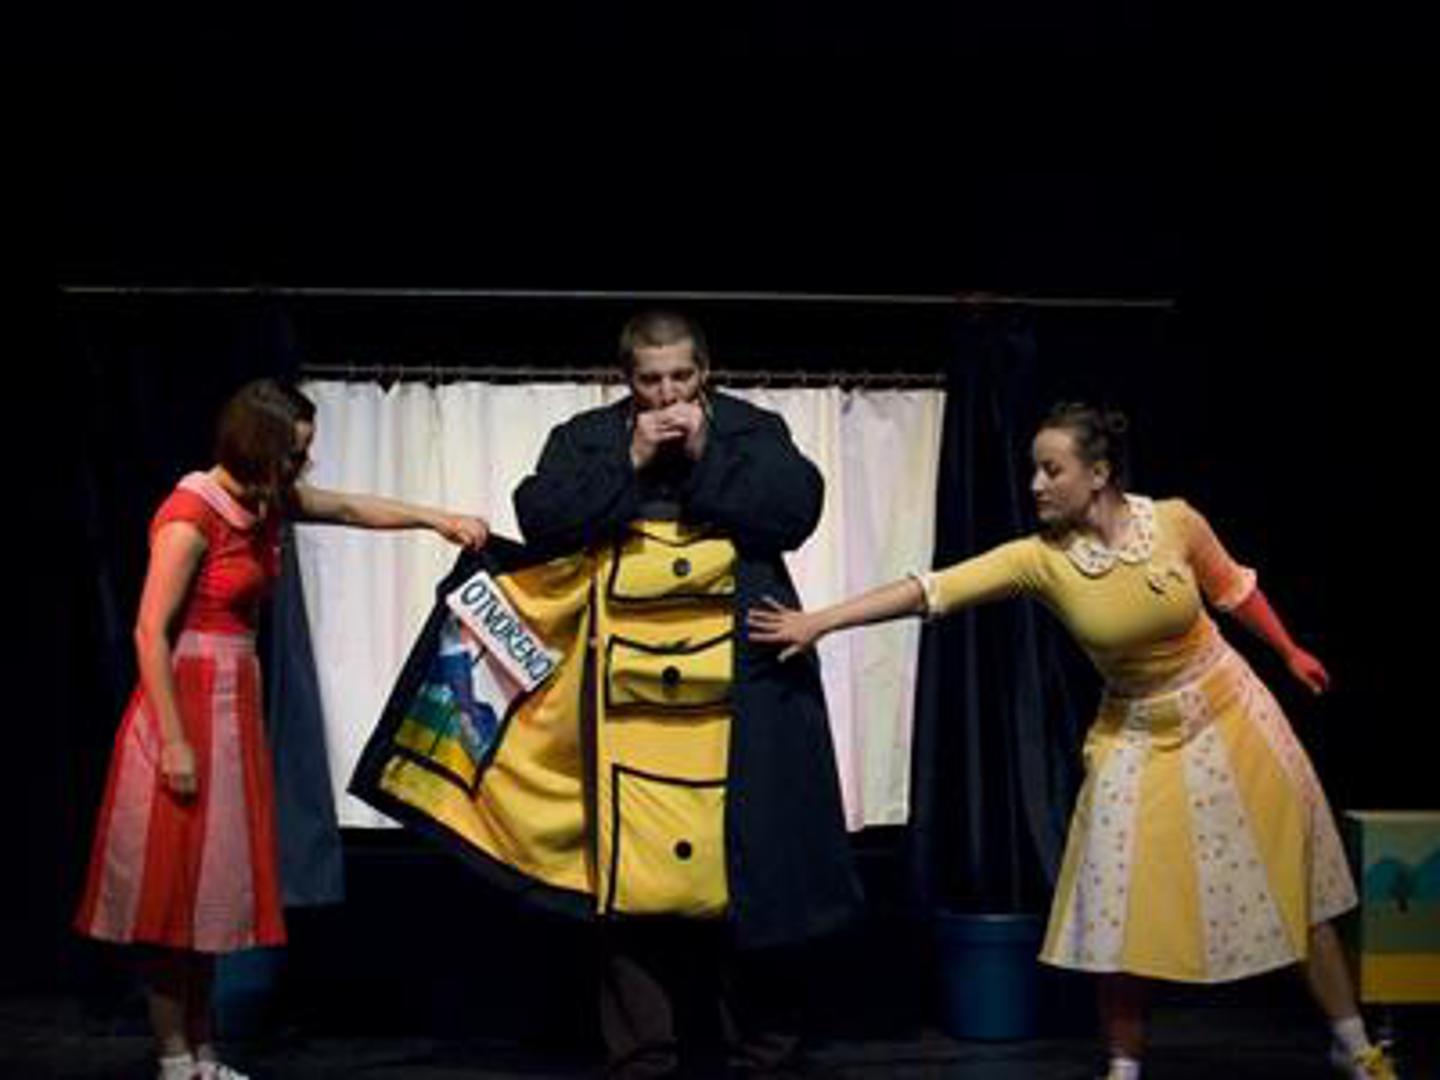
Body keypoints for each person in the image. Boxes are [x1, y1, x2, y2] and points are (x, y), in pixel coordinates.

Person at [748, 402, 1397, 1080]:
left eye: (1051, 470)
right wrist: (820, 622)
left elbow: (1232, 589)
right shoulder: (1042, 561)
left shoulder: (1176, 521)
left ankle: (1352, 1045)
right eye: (1034, 470)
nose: (1035, 484)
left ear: (1099, 474)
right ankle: (1124, 1065)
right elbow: (932, 590)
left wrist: (1289, 650)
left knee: (1291, 875)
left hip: (1230, 711)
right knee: (1119, 905)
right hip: (1136, 730)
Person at [74, 378, 488, 1080]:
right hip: (184, 703)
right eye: (293, 454)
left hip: (231, 702)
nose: (302, 466)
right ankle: (175, 1057)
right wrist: (173, 741)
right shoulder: (191, 513)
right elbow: (149, 631)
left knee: (209, 889)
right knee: (170, 891)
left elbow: (350, 508)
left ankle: (205, 1053)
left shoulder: (264, 502)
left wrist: (437, 519)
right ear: (258, 446)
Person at [513, 311, 862, 1077]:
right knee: (627, 864)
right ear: (625, 381)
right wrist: (631, 459)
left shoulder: (751, 430)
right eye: (650, 381)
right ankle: (643, 1053)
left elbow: (795, 511)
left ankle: (760, 1050)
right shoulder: (588, 438)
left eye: (681, 377)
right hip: (623, 695)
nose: (667, 395)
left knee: (752, 855)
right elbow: (541, 519)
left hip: (742, 684)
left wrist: (707, 451)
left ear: (705, 372)